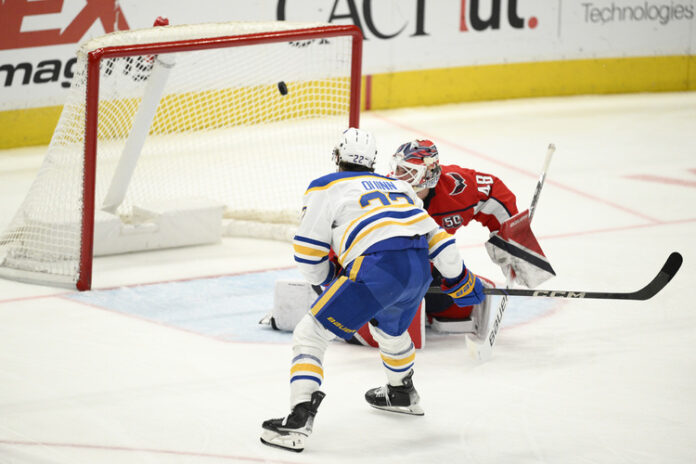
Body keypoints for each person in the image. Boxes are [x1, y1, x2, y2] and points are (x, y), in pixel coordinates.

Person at [260, 128, 486, 452]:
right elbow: (438, 240)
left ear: (337, 156)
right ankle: (401, 392)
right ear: (374, 161)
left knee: (311, 333)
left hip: (377, 268)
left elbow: (308, 252)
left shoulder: (325, 186)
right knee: (391, 331)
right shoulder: (400, 186)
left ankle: (298, 420)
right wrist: (460, 278)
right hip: (418, 269)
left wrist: (328, 277)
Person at [389, 139, 555, 338]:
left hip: (435, 265)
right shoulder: (383, 193)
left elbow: (494, 191)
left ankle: (427, 309)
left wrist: (513, 242)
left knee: (457, 307)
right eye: (398, 168)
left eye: (408, 171)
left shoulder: (457, 188)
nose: (399, 176)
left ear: (428, 173)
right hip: (392, 269)